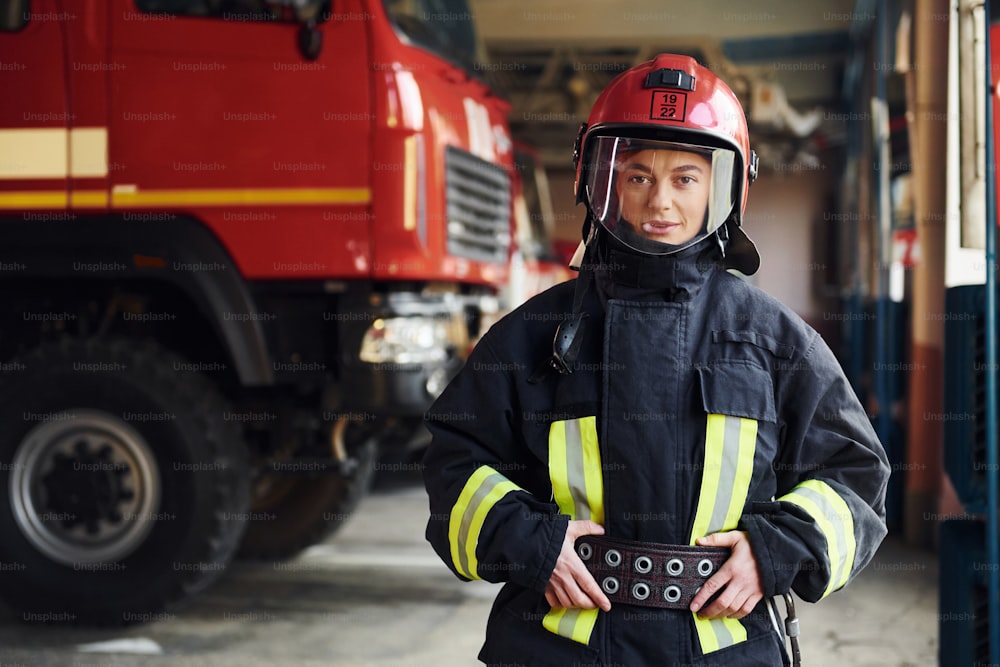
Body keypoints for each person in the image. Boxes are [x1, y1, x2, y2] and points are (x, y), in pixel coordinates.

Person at [422, 53, 890, 667]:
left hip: (724, 647)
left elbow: (856, 477)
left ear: (725, 188)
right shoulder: (533, 334)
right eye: (638, 175)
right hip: (557, 646)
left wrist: (774, 551)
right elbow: (454, 466)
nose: (659, 201)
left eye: (686, 178)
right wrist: (534, 544)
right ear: (602, 181)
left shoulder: (774, 340)